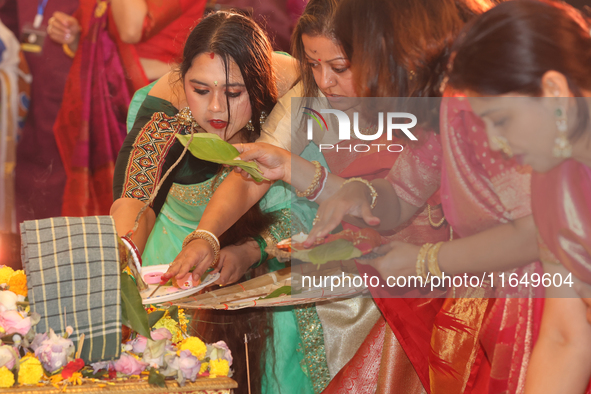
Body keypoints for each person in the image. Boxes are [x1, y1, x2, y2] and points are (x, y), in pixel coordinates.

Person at [111, 11, 294, 392]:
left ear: (258, 86)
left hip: (273, 282)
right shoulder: (163, 114)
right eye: (201, 90)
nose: (216, 109)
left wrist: (253, 249)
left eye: (233, 93)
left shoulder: (290, 100)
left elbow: (316, 209)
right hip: (179, 272)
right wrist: (120, 260)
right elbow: (135, 200)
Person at [446, 1, 591, 392]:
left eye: (502, 121)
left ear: (555, 92)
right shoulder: (551, 182)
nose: (496, 143)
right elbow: (565, 336)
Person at [47, 0, 206, 217]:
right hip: (106, 107)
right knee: (108, 212)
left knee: (142, 211)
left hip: (160, 109)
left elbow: (131, 29)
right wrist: (75, 36)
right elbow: (98, 47)